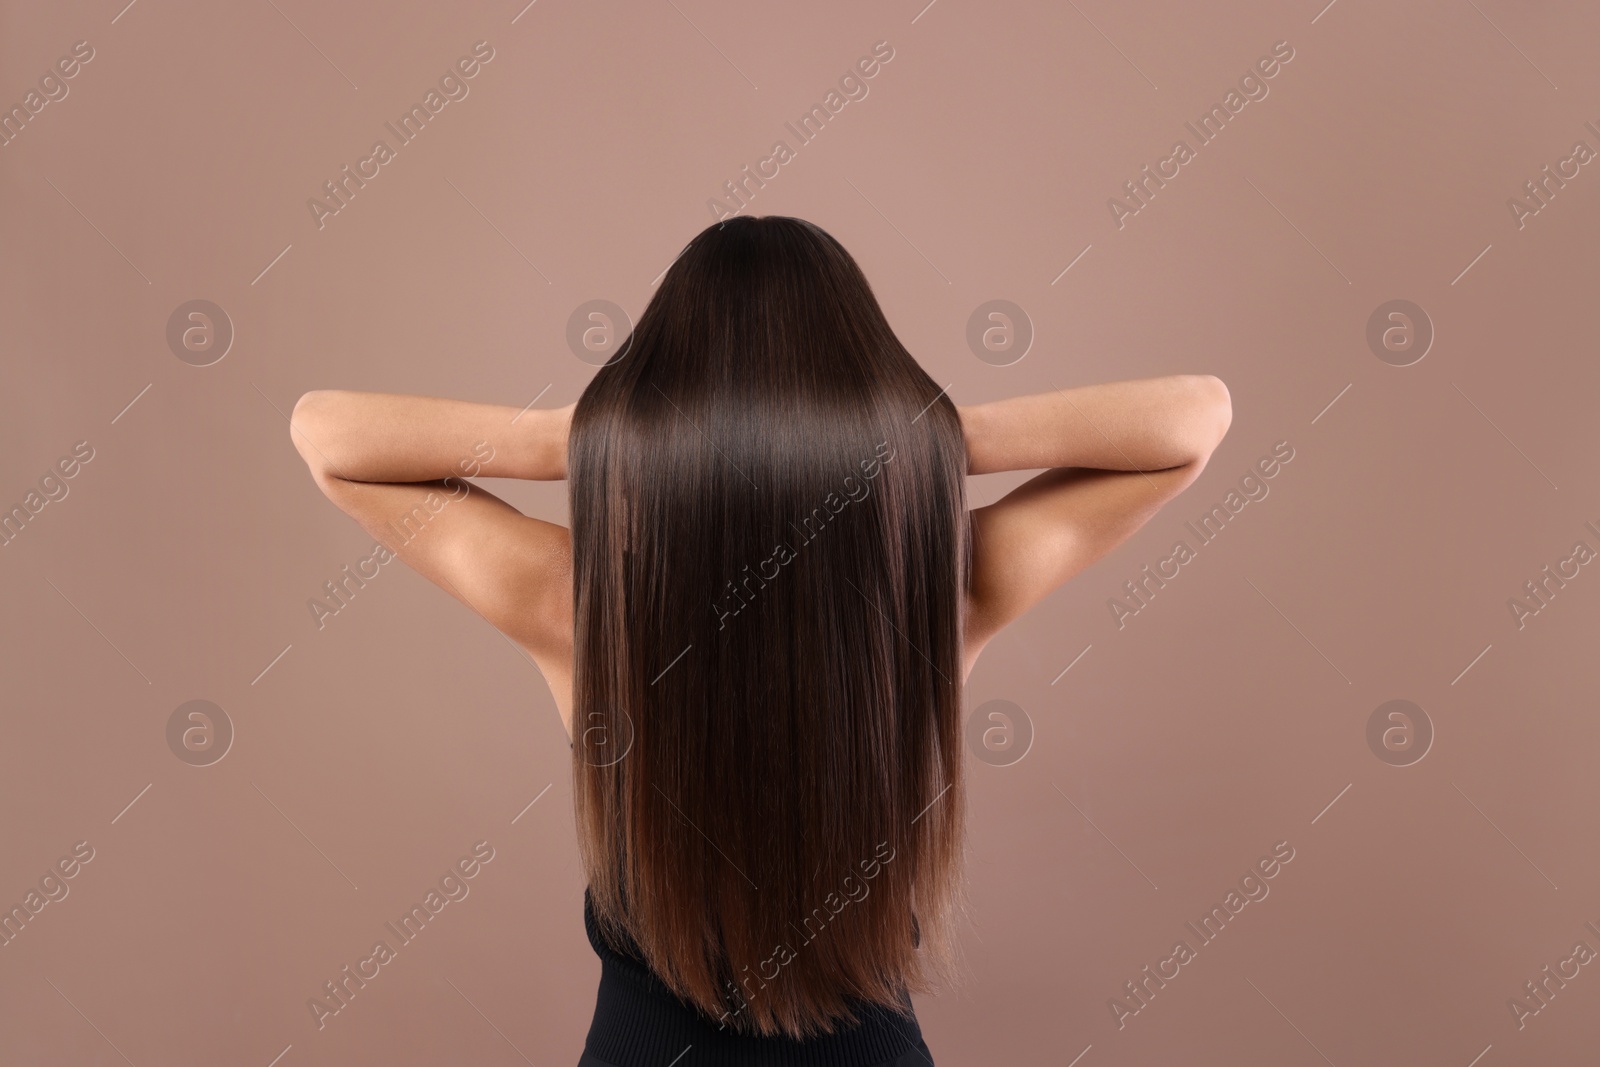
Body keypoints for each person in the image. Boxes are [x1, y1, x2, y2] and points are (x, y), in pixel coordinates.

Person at [289, 215, 1231, 1065]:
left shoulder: (578, 608)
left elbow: (326, 436)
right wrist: (933, 435)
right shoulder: (940, 599)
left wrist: (580, 439)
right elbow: (1195, 420)